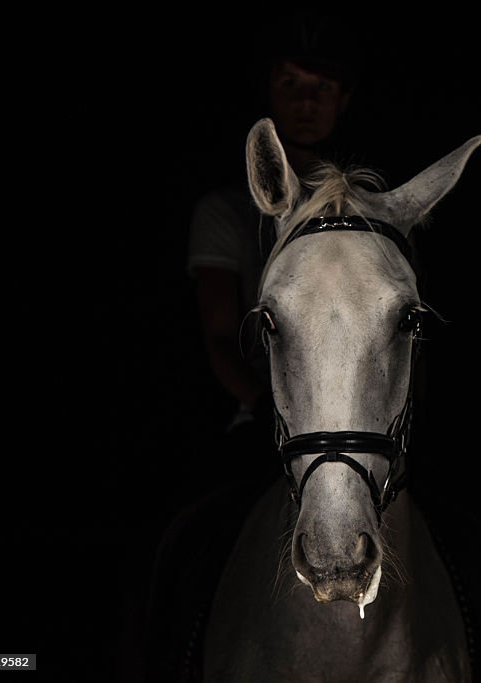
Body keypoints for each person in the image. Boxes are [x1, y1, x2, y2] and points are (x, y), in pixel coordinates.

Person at [187, 16, 359, 483]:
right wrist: (270, 410)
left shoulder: (367, 210)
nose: (306, 100)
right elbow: (220, 335)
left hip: (361, 419)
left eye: (323, 87)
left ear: (342, 101)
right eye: (290, 83)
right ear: (268, 89)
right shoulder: (224, 211)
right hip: (267, 419)